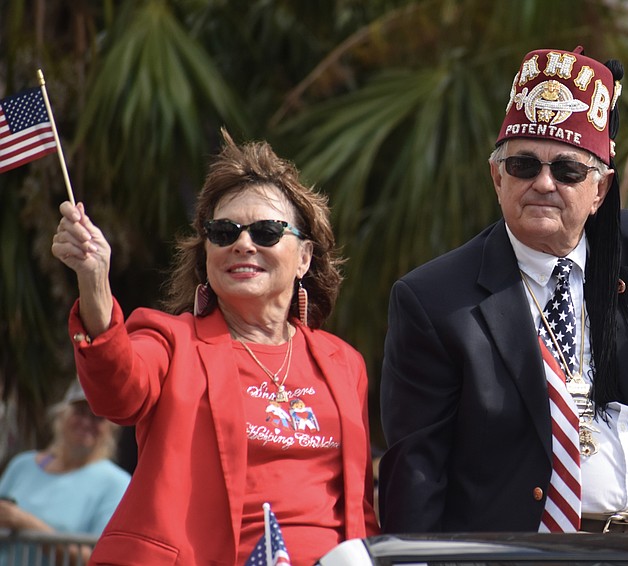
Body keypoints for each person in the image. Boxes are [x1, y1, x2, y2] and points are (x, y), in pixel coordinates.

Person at [379, 47, 628, 535]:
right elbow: (417, 475)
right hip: (523, 553)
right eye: (523, 166)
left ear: (600, 190)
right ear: (497, 177)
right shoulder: (435, 298)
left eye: (569, 170)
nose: (544, 183)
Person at [51, 131, 379, 564]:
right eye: (224, 232)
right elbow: (117, 389)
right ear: (207, 253)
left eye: (266, 231)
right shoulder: (171, 341)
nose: (243, 243)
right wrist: (94, 283)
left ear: (303, 257)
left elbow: (358, 508)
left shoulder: (344, 364)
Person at [0, 378, 129, 563]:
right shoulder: (22, 465)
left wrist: (26, 524)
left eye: (97, 417)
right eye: (80, 412)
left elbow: (100, 557)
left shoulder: (117, 483)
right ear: (62, 415)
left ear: (111, 428)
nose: (86, 422)